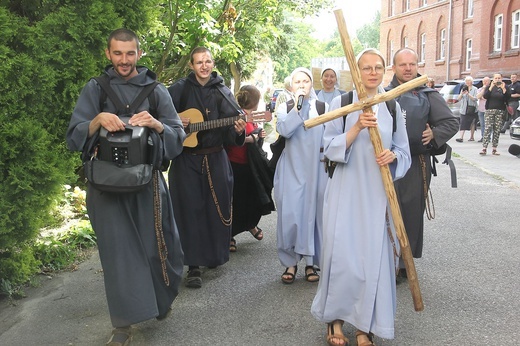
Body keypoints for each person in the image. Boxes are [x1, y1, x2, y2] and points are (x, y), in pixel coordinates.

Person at [66, 28, 186, 345]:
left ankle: (160, 299)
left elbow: (178, 137)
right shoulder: (96, 89)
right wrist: (97, 120)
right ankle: (123, 324)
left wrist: (157, 124)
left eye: (129, 53)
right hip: (105, 185)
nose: (124, 60)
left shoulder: (156, 90)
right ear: (108, 54)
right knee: (118, 256)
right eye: (117, 53)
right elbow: (73, 135)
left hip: (147, 183)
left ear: (138, 54)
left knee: (161, 248)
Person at [311, 48, 411, 346]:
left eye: (377, 67)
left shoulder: (392, 106)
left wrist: (393, 156)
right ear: (356, 71)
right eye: (365, 68)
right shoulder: (342, 103)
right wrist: (356, 127)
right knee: (341, 257)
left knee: (372, 259)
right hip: (344, 192)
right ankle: (335, 321)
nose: (372, 72)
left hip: (377, 195)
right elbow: (328, 148)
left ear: (384, 71)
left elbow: (404, 150)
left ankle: (365, 326)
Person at [167, 47, 247, 288]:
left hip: (215, 158)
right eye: (199, 62)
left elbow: (234, 127)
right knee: (189, 210)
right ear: (191, 65)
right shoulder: (178, 89)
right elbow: (158, 116)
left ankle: (212, 255)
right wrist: (174, 121)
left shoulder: (222, 92)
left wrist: (238, 130)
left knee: (216, 207)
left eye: (208, 61)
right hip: (186, 159)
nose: (204, 66)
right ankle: (192, 266)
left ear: (213, 64)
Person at [386, 48, 458, 277]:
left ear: (417, 66)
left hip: (417, 164)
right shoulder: (384, 93)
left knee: (410, 211)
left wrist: (434, 134)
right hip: (386, 162)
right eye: (402, 65)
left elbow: (450, 123)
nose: (407, 68)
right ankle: (386, 259)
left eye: (412, 64)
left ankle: (403, 263)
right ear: (394, 67)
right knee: (385, 211)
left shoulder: (428, 94)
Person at [274, 67, 328, 285]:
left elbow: (329, 136)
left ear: (312, 84)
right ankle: (290, 262)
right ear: (291, 86)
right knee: (291, 215)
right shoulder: (285, 107)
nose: (302, 85)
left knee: (314, 216)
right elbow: (285, 130)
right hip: (292, 169)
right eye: (298, 82)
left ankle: (310, 263)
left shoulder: (322, 107)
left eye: (306, 81)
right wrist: (297, 107)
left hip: (316, 169)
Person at [225, 85, 275, 252]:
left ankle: (250, 224)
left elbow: (252, 134)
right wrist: (252, 138)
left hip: (249, 165)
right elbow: (233, 138)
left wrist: (258, 135)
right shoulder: (236, 115)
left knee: (252, 198)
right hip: (235, 164)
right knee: (235, 201)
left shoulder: (252, 117)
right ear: (255, 101)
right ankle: (230, 235)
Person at [480, 73, 510, 155]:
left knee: (497, 130)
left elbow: (508, 97)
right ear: (493, 79)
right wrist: (490, 87)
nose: (497, 80)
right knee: (488, 128)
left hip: (500, 111)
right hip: (490, 110)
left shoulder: (505, 87)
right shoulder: (489, 87)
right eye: (496, 78)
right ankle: (484, 148)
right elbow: (485, 96)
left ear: (501, 79)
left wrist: (503, 89)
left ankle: (494, 148)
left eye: (499, 78)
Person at [455, 76, 478, 142]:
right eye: (466, 81)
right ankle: (461, 137)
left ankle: (472, 137)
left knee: (472, 123)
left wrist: (468, 94)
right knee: (462, 122)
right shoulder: (463, 88)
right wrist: (462, 94)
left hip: (472, 108)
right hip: (464, 109)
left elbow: (475, 99)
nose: (467, 82)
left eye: (469, 81)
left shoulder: (475, 89)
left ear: (471, 82)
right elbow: (458, 99)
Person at [476, 76, 491, 142]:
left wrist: (483, 96)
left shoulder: (491, 89)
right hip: (481, 109)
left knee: (488, 124)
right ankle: (483, 137)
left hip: (488, 109)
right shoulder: (480, 89)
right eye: (483, 81)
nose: (485, 82)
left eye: (486, 81)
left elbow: (486, 98)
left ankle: (488, 137)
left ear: (489, 82)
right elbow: (478, 96)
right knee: (482, 124)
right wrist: (484, 89)